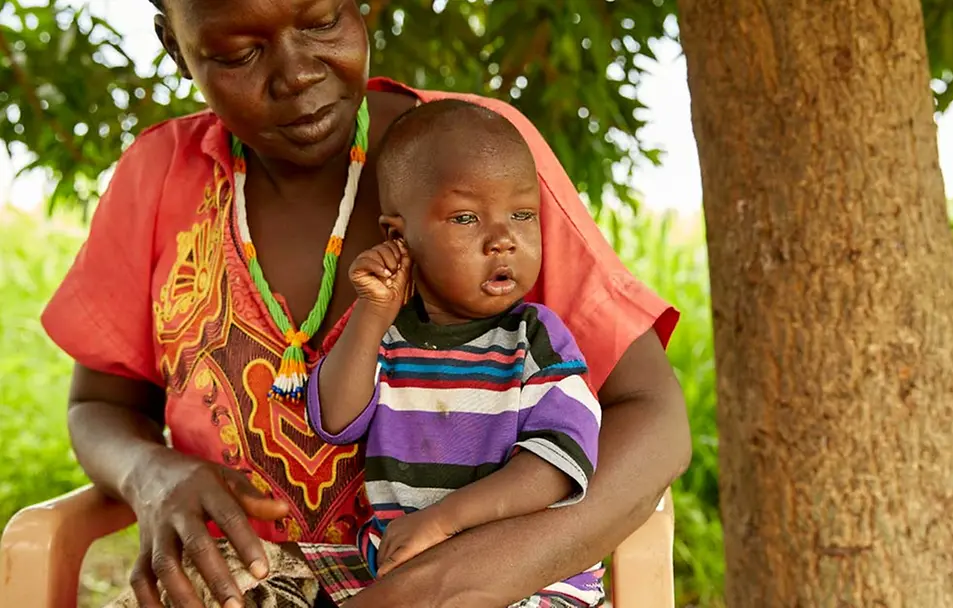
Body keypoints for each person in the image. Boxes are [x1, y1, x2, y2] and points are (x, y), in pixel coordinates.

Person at [41, 0, 691, 605]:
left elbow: (652, 417)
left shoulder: (478, 158)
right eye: (240, 54)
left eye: (322, 21)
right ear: (176, 48)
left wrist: (458, 579)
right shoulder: (159, 177)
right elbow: (100, 405)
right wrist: (150, 475)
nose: (295, 74)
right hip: (249, 579)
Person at [306, 99, 604, 607]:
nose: (503, 240)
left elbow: (557, 467)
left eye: (522, 214)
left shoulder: (535, 340)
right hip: (399, 574)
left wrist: (443, 520)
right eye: (467, 217)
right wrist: (372, 314)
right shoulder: (389, 339)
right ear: (399, 237)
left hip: (524, 581)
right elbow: (333, 420)